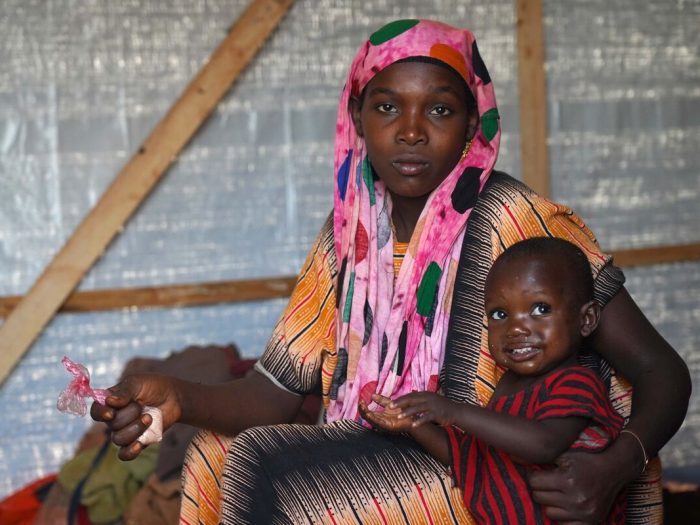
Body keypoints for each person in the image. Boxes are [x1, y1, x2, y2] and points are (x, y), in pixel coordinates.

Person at [90, 19, 691, 524]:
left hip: (498, 470)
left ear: (473, 124)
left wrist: (619, 463)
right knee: (213, 455)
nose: (410, 130)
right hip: (399, 444)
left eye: (439, 109)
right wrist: (175, 400)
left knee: (268, 470)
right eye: (387, 107)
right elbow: (277, 389)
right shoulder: (349, 232)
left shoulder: (520, 221)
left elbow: (658, 366)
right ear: (358, 116)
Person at [361, 237, 628, 524]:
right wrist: (413, 422)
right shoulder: (507, 388)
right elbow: (471, 457)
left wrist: (453, 411)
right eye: (500, 314)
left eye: (540, 309)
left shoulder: (576, 383)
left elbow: (545, 444)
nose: (515, 328)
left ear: (586, 319)